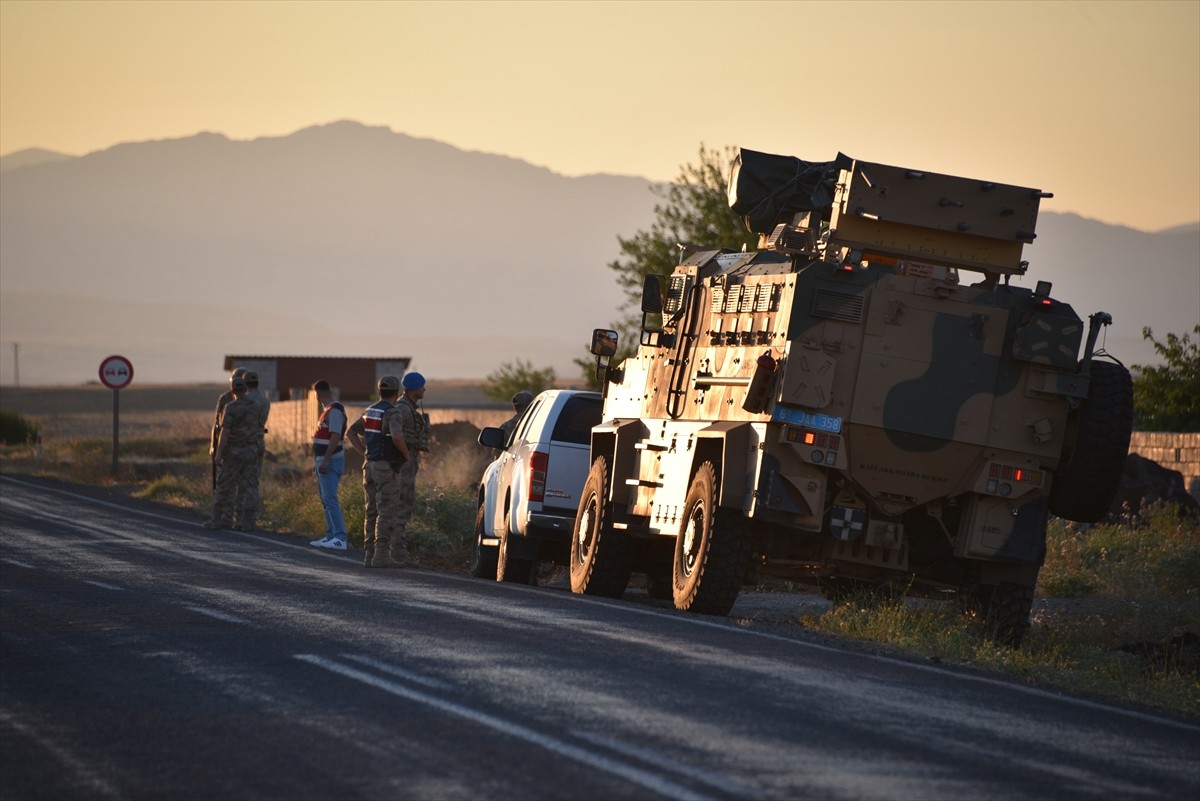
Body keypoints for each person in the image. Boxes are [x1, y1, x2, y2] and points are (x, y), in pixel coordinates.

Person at [369, 371, 430, 568]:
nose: (424, 389)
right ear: (414, 389)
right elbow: (395, 435)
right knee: (400, 505)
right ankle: (397, 551)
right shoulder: (402, 409)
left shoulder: (407, 407)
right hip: (403, 463)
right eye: (421, 386)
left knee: (402, 505)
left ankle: (391, 551)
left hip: (406, 462)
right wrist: (405, 456)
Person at [203, 373, 260, 531]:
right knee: (250, 486)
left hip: (234, 451)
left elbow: (225, 431)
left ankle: (217, 520)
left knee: (224, 485)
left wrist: (219, 452)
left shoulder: (231, 407)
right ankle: (247, 522)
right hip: (251, 450)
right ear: (246, 389)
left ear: (233, 391)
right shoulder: (255, 406)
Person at [309, 380, 348, 550]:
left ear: (317, 395)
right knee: (326, 500)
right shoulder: (328, 411)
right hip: (323, 460)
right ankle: (331, 535)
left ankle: (340, 537)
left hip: (330, 461)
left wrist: (325, 459)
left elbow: (335, 436)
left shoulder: (335, 411)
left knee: (330, 499)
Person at [210, 368, 247, 490]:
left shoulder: (250, 401)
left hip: (241, 442)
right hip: (226, 442)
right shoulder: (225, 398)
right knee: (224, 479)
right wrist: (213, 446)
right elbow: (217, 423)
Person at [243, 370, 271, 529]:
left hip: (245, 443)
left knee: (241, 480)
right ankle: (251, 518)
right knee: (254, 481)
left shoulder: (243, 400)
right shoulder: (265, 401)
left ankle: (240, 517)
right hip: (259, 440)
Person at [495, 390, 533, 456]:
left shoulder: (505, 427)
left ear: (514, 407)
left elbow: (497, 453)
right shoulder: (540, 424)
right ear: (531, 406)